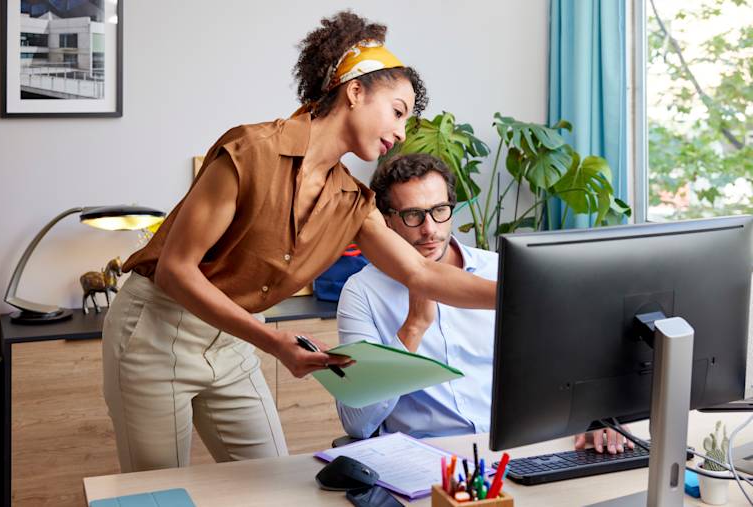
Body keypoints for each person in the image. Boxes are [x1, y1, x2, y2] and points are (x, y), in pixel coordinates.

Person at [101, 10, 495, 474]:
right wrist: (272, 341)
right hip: (157, 329)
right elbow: (175, 270)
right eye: (397, 111)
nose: (401, 132)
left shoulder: (352, 200)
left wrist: (520, 297)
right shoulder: (250, 151)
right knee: (157, 494)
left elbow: (422, 273)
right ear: (355, 90)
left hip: (233, 343)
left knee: (273, 486)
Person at [336, 153, 635, 454]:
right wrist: (412, 329)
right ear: (386, 220)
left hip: (517, 448)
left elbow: (567, 363)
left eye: (440, 210)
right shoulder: (362, 292)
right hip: (429, 457)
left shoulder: (501, 271)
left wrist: (599, 414)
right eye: (413, 215)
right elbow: (357, 423)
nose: (429, 229)